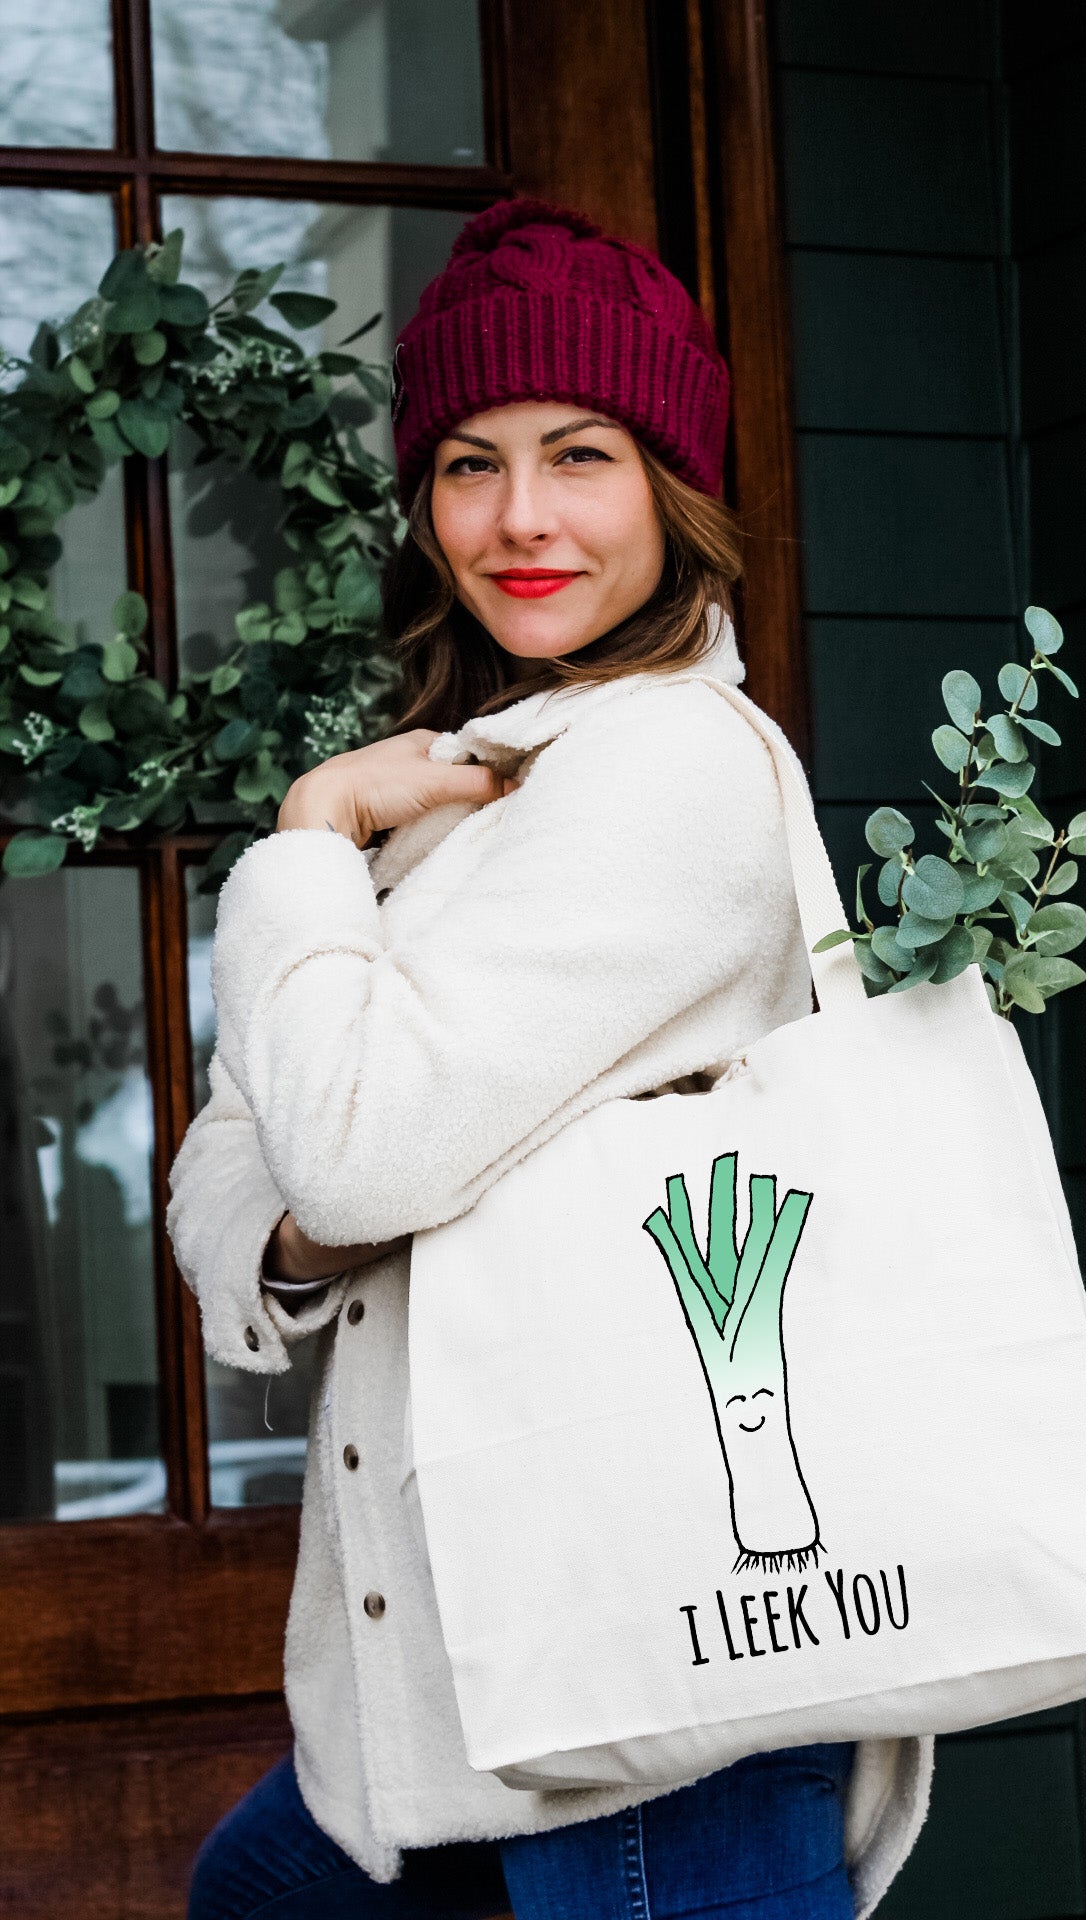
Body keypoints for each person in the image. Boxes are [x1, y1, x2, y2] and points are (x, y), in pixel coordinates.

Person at [171, 198, 932, 1920]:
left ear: (672, 485)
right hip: (448, 1686)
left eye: (578, 454)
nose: (519, 519)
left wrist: (304, 835)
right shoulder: (463, 791)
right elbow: (238, 1172)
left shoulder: (663, 768)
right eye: (466, 462)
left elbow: (348, 1152)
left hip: (647, 1684)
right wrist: (310, 1206)